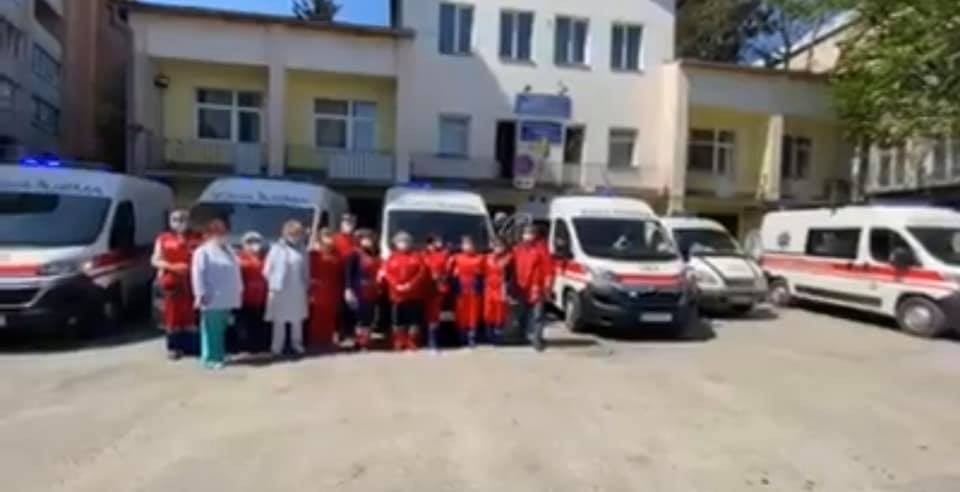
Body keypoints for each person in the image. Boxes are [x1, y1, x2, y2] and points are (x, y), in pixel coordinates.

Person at [191, 218, 242, 369]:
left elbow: (235, 272)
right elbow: (197, 274)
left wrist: (239, 290)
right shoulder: (203, 252)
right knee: (211, 329)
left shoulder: (229, 250)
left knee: (221, 329)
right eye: (218, 233)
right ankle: (210, 359)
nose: (222, 235)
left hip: (227, 296)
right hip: (211, 297)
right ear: (210, 234)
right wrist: (200, 293)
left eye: (224, 232)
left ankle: (219, 354)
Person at [151, 209, 202, 360]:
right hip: (172, 280)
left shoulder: (197, 237)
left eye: (182, 219)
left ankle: (191, 347)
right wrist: (172, 266)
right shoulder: (163, 238)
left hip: (192, 280)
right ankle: (174, 347)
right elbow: (155, 260)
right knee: (172, 315)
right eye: (175, 219)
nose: (179, 222)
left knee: (191, 314)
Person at [264, 220, 310, 358]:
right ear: (285, 234)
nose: (295, 237)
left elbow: (306, 270)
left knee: (297, 319)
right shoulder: (276, 248)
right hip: (280, 289)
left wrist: (306, 285)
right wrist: (273, 283)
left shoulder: (302, 250)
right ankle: (277, 347)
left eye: (297, 234)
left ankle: (297, 345)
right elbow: (267, 270)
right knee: (279, 320)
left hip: (297, 289)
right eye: (292, 234)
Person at [382, 231, 426, 352]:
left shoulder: (417, 256)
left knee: (414, 320)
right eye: (400, 242)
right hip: (397, 295)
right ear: (396, 244)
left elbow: (422, 273)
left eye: (406, 242)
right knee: (398, 320)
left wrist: (410, 285)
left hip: (414, 295)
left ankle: (412, 342)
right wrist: (396, 285)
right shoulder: (391, 257)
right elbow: (387, 273)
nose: (403, 244)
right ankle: (399, 342)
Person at [513, 224, 553, 351]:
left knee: (537, 315)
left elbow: (548, 269)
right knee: (522, 314)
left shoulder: (541, 249)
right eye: (526, 233)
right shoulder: (518, 249)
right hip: (521, 287)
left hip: (537, 287)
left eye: (530, 233)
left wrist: (547, 286)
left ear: (535, 235)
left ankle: (537, 339)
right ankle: (522, 335)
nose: (528, 235)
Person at [308, 228, 344, 351]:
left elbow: (340, 272)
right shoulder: (314, 254)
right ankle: (315, 340)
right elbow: (310, 272)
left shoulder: (336, 254)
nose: (328, 239)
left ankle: (327, 340)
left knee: (330, 316)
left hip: (333, 288)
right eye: (325, 236)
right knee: (317, 316)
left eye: (330, 236)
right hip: (318, 289)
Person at [346, 229, 381, 350]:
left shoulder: (375, 254)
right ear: (360, 240)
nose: (368, 242)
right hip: (359, 289)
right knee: (360, 317)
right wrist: (348, 288)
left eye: (370, 239)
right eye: (365, 239)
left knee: (369, 316)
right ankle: (359, 342)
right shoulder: (354, 254)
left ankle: (366, 341)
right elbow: (349, 273)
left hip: (372, 289)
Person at [236, 231, 269, 355]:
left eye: (256, 242)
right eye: (249, 242)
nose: (253, 245)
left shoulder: (265, 258)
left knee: (259, 322)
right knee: (244, 323)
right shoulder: (239, 258)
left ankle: (259, 346)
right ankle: (244, 346)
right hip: (245, 297)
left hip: (261, 297)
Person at [450, 235, 485, 348]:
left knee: (473, 314)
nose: (468, 246)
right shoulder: (456, 258)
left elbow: (484, 273)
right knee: (461, 313)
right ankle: (462, 336)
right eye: (465, 244)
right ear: (461, 246)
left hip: (474, 290)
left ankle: (472, 337)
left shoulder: (480, 258)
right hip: (461, 290)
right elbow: (449, 271)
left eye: (470, 244)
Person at [421, 234, 451, 351]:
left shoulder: (443, 255)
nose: (435, 245)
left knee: (434, 315)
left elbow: (447, 270)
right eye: (432, 243)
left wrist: (441, 277)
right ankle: (425, 340)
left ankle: (433, 342)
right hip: (425, 288)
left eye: (437, 242)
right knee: (425, 315)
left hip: (438, 288)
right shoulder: (423, 255)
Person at [333, 214, 358, 346]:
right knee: (339, 306)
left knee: (351, 306)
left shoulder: (355, 240)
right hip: (338, 274)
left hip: (353, 275)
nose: (349, 225)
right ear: (341, 224)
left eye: (351, 223)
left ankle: (349, 332)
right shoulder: (335, 238)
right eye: (346, 223)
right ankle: (339, 333)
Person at [483, 236, 514, 344]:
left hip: (501, 288)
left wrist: (508, 290)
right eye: (496, 245)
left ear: (504, 247)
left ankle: (498, 332)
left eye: (500, 246)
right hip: (489, 288)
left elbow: (511, 275)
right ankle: (489, 332)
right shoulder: (487, 258)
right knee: (488, 311)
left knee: (500, 311)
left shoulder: (509, 258)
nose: (498, 248)